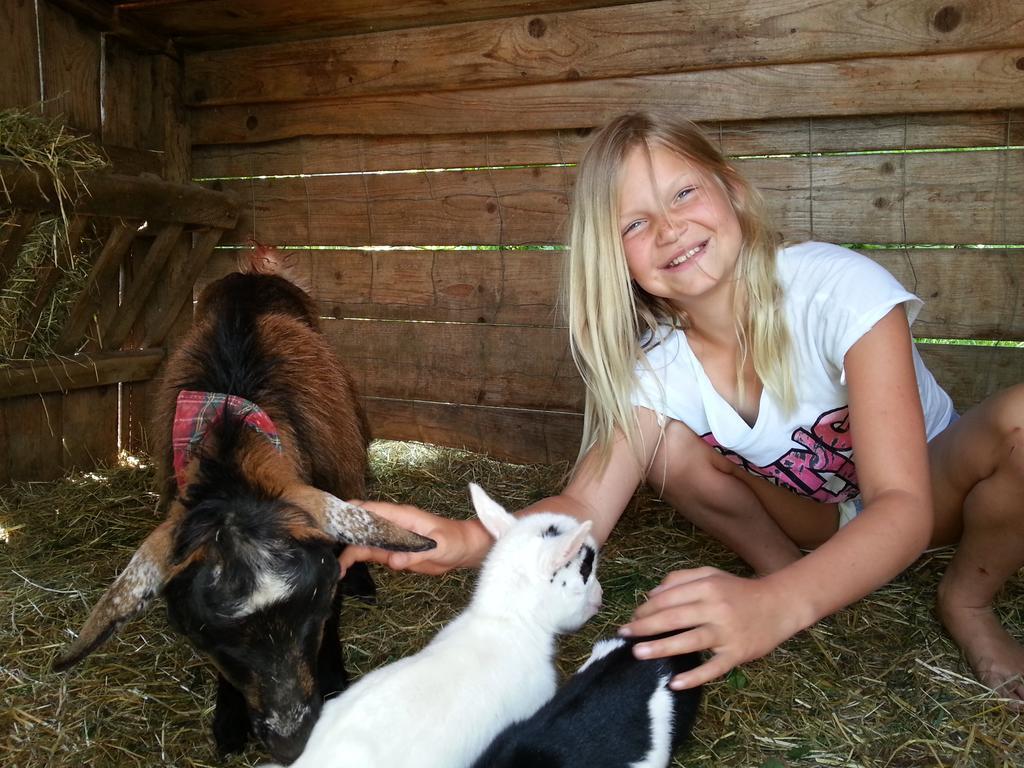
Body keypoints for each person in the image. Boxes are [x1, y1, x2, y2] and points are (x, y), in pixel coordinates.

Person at [341, 112, 1024, 702]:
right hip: (820, 520)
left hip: (934, 495)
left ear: (729, 188)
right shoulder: (656, 364)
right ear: (617, 257)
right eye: (636, 222)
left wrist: (774, 610)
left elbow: (900, 505)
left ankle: (964, 599)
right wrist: (466, 540)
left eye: (684, 192)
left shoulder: (836, 289)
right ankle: (782, 566)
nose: (669, 229)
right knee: (662, 444)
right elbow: (584, 507)